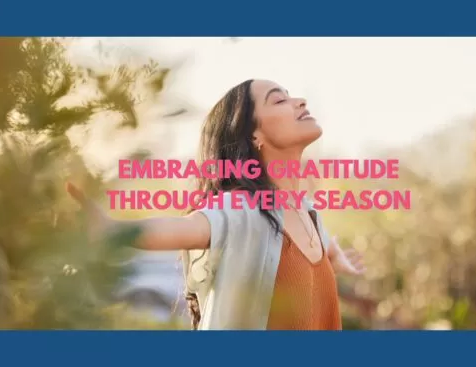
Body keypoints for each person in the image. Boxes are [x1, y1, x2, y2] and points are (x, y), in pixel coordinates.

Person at [67, 79, 366, 330]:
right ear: (253, 135)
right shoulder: (242, 209)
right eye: (279, 101)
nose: (300, 101)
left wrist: (333, 261)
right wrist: (112, 230)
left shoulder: (308, 212)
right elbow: (186, 227)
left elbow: (318, 248)